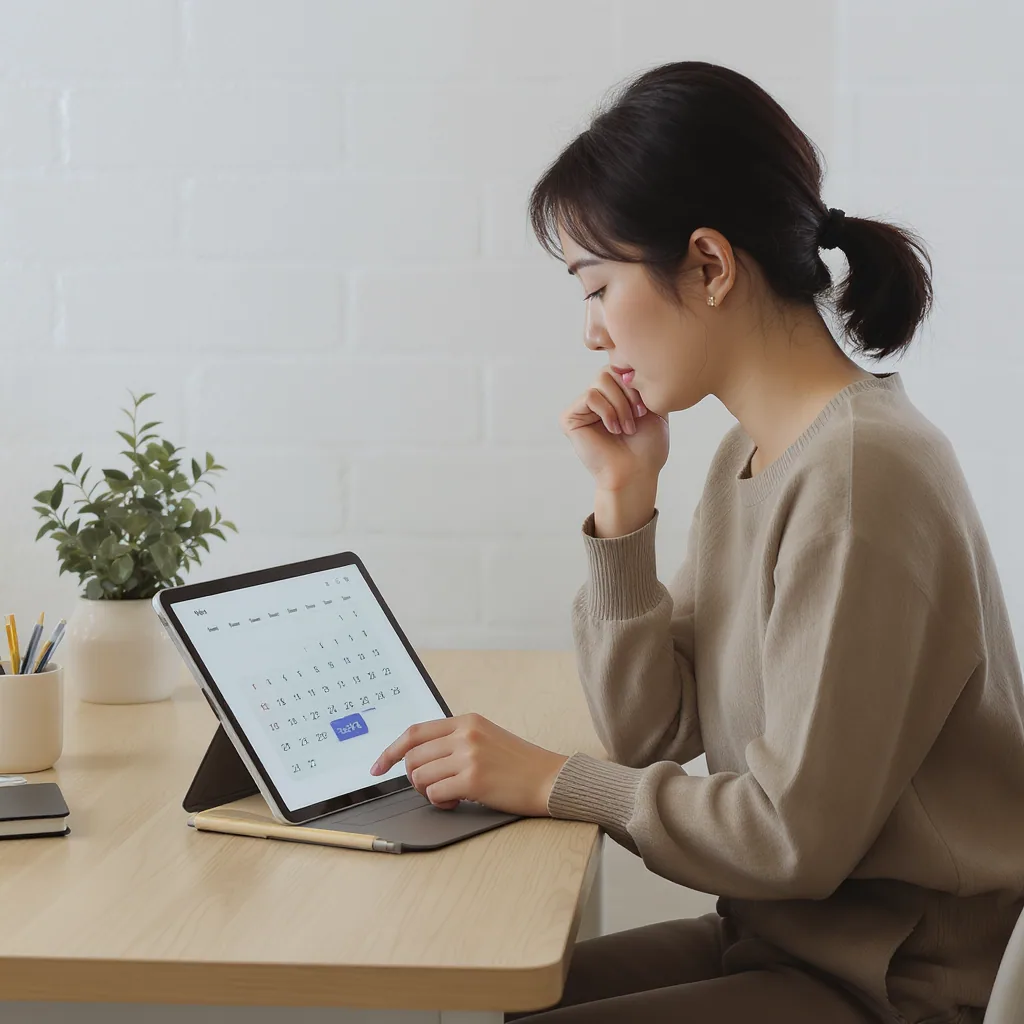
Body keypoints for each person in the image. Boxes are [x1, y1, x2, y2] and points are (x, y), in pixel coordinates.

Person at [370, 61, 1024, 1024]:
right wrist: (625, 502)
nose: (594, 332)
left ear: (710, 266)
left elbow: (791, 837)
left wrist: (550, 781)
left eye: (596, 286)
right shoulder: (748, 460)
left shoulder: (859, 477)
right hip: (785, 940)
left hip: (892, 984)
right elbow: (656, 732)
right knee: (497, 993)